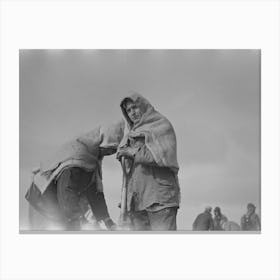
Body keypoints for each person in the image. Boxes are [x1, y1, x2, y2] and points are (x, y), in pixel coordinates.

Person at [25, 121, 124, 230]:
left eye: (113, 150)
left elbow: (94, 193)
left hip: (62, 207)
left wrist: (107, 220)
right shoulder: (77, 158)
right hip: (43, 203)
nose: (110, 153)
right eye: (110, 148)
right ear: (103, 141)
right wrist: (80, 220)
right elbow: (67, 192)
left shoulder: (91, 161)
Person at [116, 92, 180, 231]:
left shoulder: (161, 125)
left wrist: (132, 152)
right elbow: (129, 173)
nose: (132, 113)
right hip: (137, 203)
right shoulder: (129, 135)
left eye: (135, 107)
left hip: (160, 199)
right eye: (128, 110)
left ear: (144, 106)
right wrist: (126, 198)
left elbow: (162, 156)